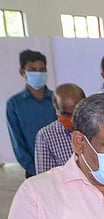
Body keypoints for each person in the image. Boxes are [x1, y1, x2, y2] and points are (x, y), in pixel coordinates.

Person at [6, 49, 56, 178]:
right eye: (33, 69)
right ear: (23, 72)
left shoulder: (56, 99)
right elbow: (18, 142)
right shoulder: (15, 104)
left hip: (61, 167)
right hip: (33, 170)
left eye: (42, 69)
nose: (38, 73)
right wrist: (35, 169)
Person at [34, 83, 85, 174]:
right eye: (66, 114)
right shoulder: (46, 136)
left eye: (77, 112)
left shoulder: (96, 127)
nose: (73, 119)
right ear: (56, 110)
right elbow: (46, 178)